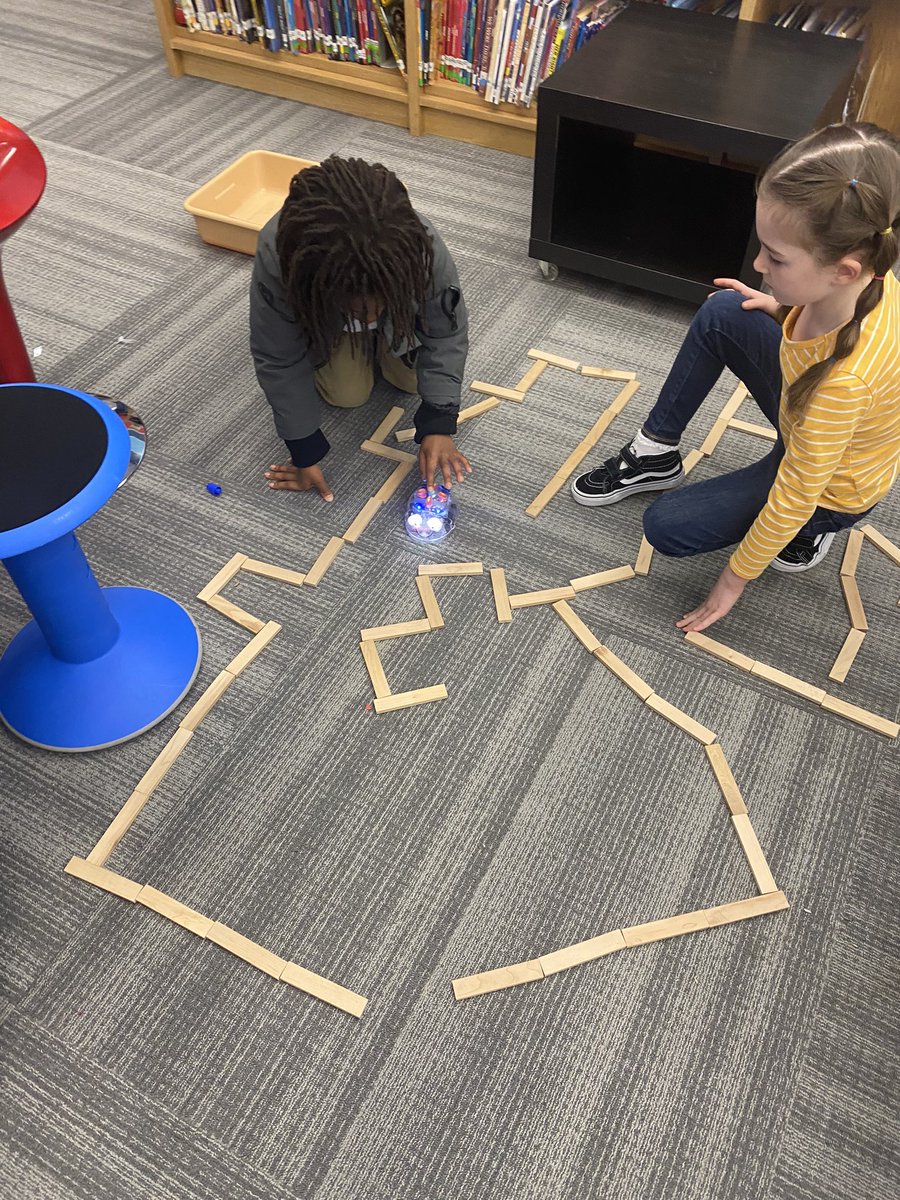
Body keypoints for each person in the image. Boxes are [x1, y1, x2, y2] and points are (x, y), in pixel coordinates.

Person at [572, 122, 900, 633]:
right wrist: (780, 307)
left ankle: (819, 528)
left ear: (844, 270)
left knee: (667, 529)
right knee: (726, 309)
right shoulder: (873, 270)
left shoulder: (844, 383)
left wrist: (733, 579)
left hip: (827, 482)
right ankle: (656, 452)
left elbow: (796, 489)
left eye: (777, 257)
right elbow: (817, 340)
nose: (757, 262)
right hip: (806, 415)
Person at [250, 156, 471, 501]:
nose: (368, 314)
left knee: (412, 382)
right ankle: (351, 337)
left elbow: (445, 332)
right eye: (359, 306)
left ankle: (386, 335)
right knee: (347, 395)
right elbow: (277, 355)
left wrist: (439, 422)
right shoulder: (279, 256)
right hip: (325, 323)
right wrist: (304, 448)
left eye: (377, 303)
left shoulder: (419, 248)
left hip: (400, 314)